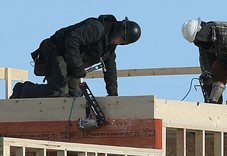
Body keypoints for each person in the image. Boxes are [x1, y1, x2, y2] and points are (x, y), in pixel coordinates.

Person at [10, 14, 141, 98]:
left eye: (123, 43)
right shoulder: (97, 28)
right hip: (57, 51)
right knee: (58, 92)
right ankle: (22, 90)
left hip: (71, 62)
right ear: (118, 31)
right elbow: (72, 40)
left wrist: (113, 94)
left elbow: (110, 69)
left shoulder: (109, 47)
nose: (119, 42)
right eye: (121, 39)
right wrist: (78, 67)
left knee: (74, 96)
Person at [181, 18, 227, 106]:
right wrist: (208, 77)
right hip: (223, 54)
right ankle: (215, 109)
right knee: (215, 88)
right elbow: (204, 60)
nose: (198, 44)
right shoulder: (202, 41)